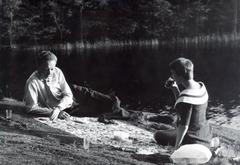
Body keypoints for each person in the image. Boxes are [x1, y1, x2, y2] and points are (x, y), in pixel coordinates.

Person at [24, 51, 127, 121]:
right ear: (38, 66)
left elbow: (68, 94)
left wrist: (59, 108)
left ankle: (116, 106)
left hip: (72, 93)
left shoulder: (57, 71)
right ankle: (119, 111)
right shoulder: (32, 82)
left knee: (111, 101)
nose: (51, 72)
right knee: (98, 111)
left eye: (52, 68)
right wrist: (54, 112)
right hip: (67, 106)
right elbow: (31, 108)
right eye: (47, 69)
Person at [153, 57, 212, 149]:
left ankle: (185, 147)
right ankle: (210, 143)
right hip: (204, 134)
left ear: (180, 75)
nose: (172, 76)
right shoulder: (201, 87)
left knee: (158, 135)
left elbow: (184, 126)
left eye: (173, 73)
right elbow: (183, 107)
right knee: (172, 130)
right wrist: (175, 89)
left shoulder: (185, 98)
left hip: (191, 139)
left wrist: (176, 147)